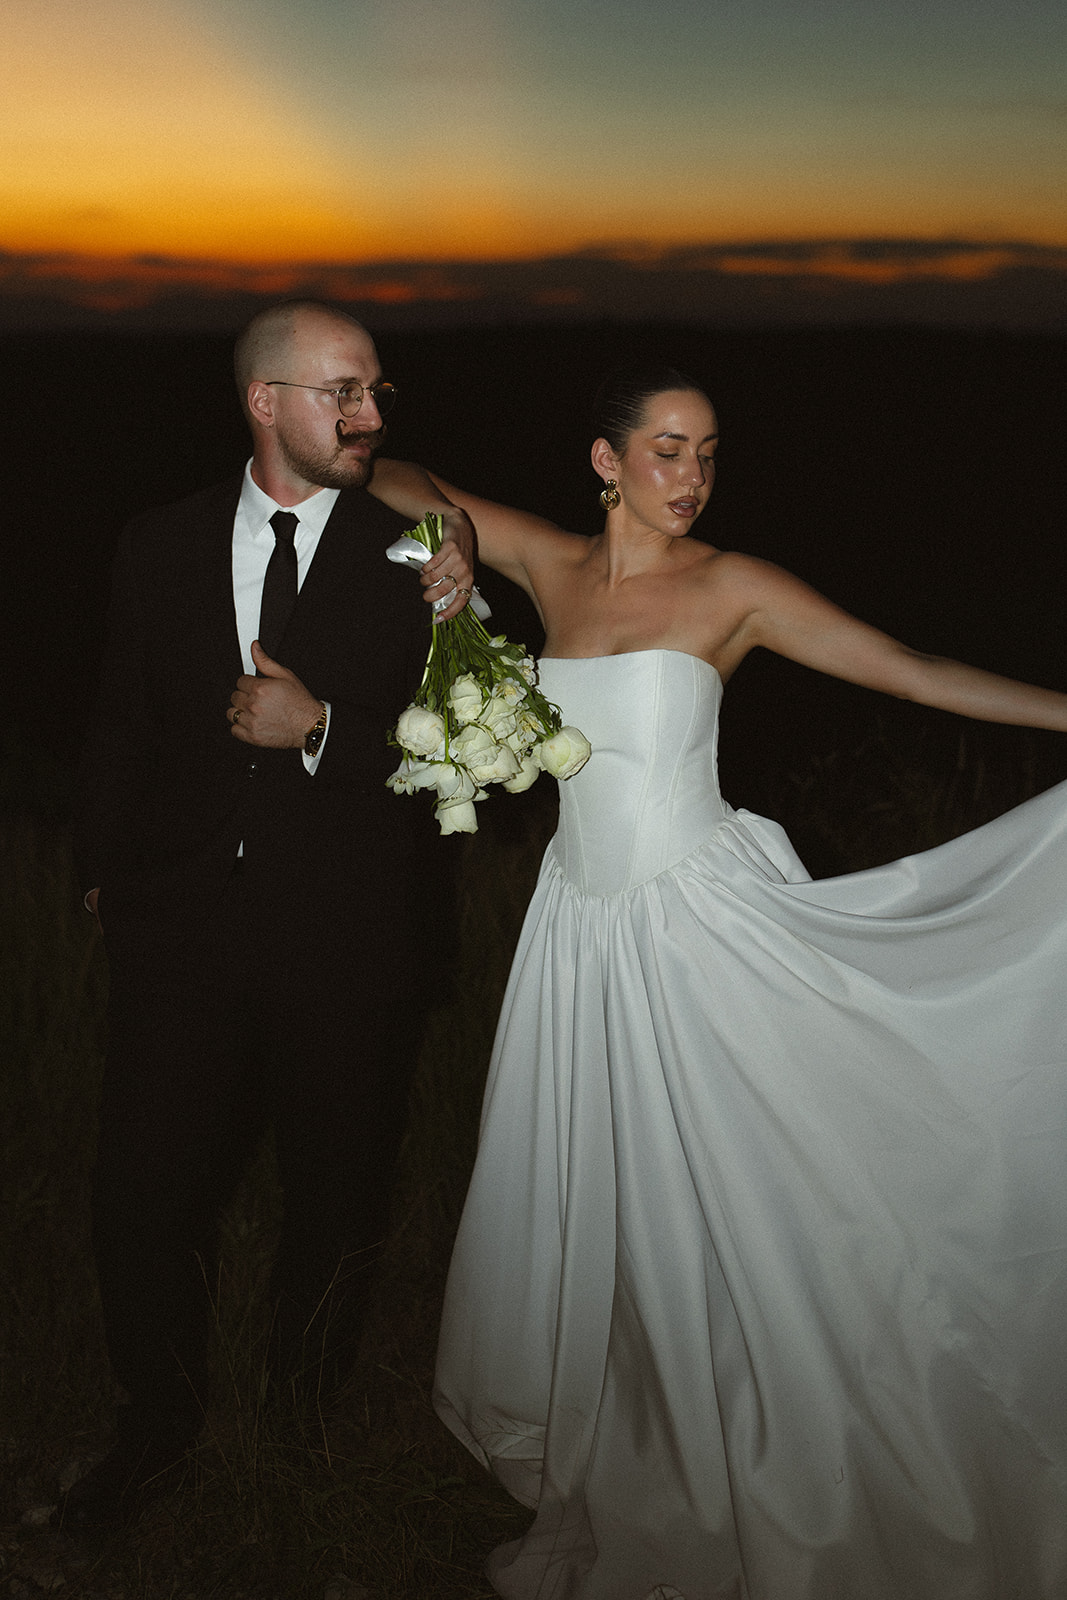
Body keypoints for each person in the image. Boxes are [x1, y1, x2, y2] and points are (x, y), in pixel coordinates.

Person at [372, 365, 1067, 1599]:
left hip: (698, 929)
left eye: (706, 455)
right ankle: (648, 1427)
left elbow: (905, 667)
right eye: (667, 451)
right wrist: (455, 537)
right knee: (618, 1203)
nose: (690, 478)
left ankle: (789, 1444)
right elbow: (394, 477)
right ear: (605, 460)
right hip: (579, 937)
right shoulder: (548, 564)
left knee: (753, 1200)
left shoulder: (732, 588)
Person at [68, 300, 474, 1528]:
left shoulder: (422, 559)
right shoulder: (156, 540)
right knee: (142, 1195)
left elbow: (460, 763)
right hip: (177, 932)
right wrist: (102, 870)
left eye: (376, 392)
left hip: (348, 939)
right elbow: (122, 722)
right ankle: (159, 1425)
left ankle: (295, 1422)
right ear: (263, 402)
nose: (369, 415)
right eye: (341, 391)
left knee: (335, 1196)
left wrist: (326, 735)